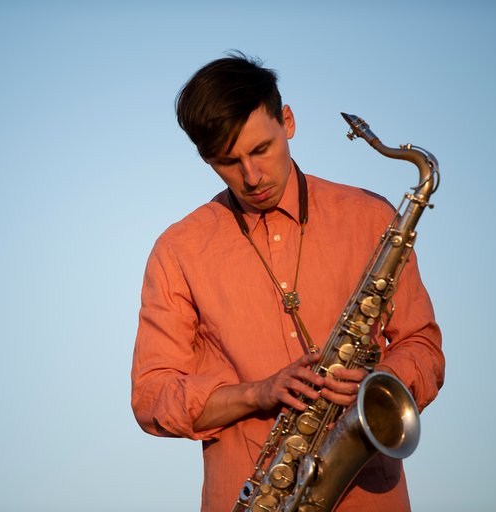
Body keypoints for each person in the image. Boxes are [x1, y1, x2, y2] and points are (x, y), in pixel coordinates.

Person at [130, 53, 444, 512]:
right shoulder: (178, 250)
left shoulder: (370, 217)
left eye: (261, 150)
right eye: (227, 162)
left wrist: (380, 381)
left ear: (289, 121)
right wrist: (255, 393)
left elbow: (424, 347)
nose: (251, 177)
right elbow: (152, 396)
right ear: (205, 158)